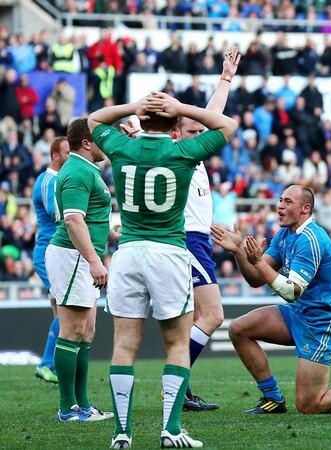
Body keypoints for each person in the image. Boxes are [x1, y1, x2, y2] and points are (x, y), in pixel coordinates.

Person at [88, 91, 238, 448]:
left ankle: (121, 433)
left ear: (142, 120)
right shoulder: (183, 151)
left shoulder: (122, 148)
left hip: (128, 252)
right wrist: (182, 108)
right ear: (174, 125)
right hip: (169, 252)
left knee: (124, 344)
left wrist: (132, 108)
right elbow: (227, 125)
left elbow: (93, 120)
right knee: (176, 344)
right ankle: (170, 430)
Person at [210, 185, 331, 416]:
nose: (280, 206)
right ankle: (272, 398)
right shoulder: (285, 234)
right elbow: (256, 278)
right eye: (280, 200)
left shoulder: (311, 239)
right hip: (297, 313)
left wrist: (256, 262)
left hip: (321, 323)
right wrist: (238, 252)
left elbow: (291, 291)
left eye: (287, 202)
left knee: (309, 405)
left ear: (305, 208)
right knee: (239, 329)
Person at [46, 119, 116, 422]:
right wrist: (93, 260)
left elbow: (87, 217)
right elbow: (73, 221)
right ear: (86, 143)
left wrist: (112, 236)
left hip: (80, 255)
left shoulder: (86, 169)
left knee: (86, 332)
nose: (104, 143)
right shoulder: (76, 170)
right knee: (72, 330)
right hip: (73, 256)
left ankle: (83, 404)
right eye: (99, 137)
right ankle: (67, 408)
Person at [32, 136, 69, 384]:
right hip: (48, 253)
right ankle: (46, 363)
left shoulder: (55, 179)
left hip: (52, 252)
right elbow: (57, 215)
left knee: (59, 311)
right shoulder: (49, 181)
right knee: (66, 311)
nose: (71, 156)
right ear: (55, 155)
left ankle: (52, 364)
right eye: (67, 152)